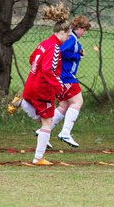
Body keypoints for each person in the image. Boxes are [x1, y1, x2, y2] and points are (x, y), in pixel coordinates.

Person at [9, 2, 71, 165]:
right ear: (63, 32)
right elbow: (49, 70)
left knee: (42, 119)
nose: (67, 40)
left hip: (31, 84)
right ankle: (38, 158)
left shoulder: (44, 44)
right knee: (47, 122)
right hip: (42, 90)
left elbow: (32, 59)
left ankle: (21, 101)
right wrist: (59, 89)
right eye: (68, 36)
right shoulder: (55, 48)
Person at [35, 15, 91, 148]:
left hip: (63, 76)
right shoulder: (71, 38)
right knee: (78, 102)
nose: (84, 33)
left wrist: (79, 53)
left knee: (64, 105)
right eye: (84, 30)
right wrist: (77, 56)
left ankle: (43, 130)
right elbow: (60, 52)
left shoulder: (71, 38)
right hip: (66, 76)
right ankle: (65, 133)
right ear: (79, 28)